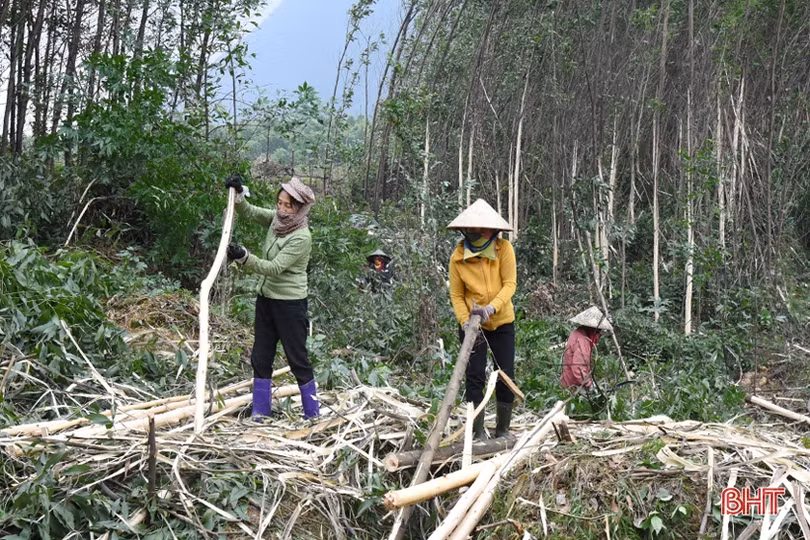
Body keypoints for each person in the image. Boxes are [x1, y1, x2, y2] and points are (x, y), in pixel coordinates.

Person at [224, 174, 320, 420]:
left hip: (290, 305)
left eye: (288, 205)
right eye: (280, 202)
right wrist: (238, 196)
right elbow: (252, 213)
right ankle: (260, 412)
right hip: (266, 299)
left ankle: (313, 415)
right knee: (261, 356)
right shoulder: (277, 221)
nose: (282, 208)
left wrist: (245, 258)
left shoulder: (301, 237)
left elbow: (275, 267)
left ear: (299, 208)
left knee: (297, 359)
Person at [447, 199, 517, 440]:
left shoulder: (503, 249)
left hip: (502, 320)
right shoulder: (457, 257)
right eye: (475, 230)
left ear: (493, 231)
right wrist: (466, 322)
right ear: (466, 231)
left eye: (484, 230)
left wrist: (491, 309)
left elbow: (509, 285)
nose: (479, 234)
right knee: (475, 375)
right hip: (471, 324)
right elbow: (456, 295)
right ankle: (477, 433)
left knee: (505, 373)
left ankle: (503, 430)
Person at [560, 306, 613, 391]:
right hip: (574, 386)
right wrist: (589, 384)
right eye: (598, 331)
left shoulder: (578, 333)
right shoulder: (582, 340)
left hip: (569, 382)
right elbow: (578, 369)